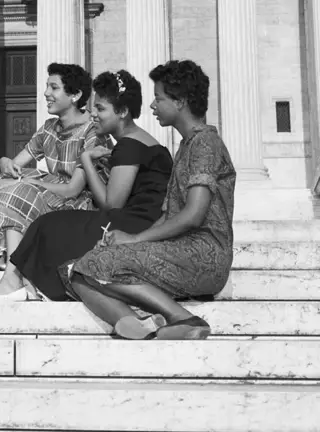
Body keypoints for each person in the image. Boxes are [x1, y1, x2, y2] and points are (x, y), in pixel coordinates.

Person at [0, 70, 173, 302]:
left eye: (101, 109)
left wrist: (86, 160)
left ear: (123, 112)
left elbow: (111, 204)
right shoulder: (134, 141)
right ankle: (18, 281)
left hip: (136, 224)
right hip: (137, 218)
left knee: (48, 224)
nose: (94, 114)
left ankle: (17, 282)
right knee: (47, 221)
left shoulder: (128, 145)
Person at [70, 60, 236, 340]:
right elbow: (169, 213)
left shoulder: (206, 143)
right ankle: (138, 326)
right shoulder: (186, 145)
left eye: (159, 98)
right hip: (181, 250)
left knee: (93, 264)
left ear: (180, 101)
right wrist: (129, 237)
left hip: (204, 255)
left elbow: (194, 214)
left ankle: (183, 318)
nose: (152, 106)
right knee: (77, 271)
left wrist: (136, 240)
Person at [0, 63, 111, 260]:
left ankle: (10, 259)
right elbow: (16, 164)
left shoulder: (92, 131)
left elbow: (73, 190)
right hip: (52, 193)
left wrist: (28, 182)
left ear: (75, 95)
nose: (46, 93)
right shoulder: (49, 128)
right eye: (47, 86)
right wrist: (5, 163)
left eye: (54, 88)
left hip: (79, 204)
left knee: (20, 190)